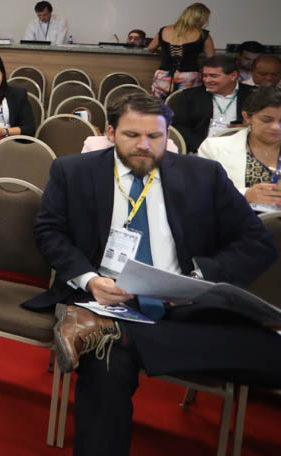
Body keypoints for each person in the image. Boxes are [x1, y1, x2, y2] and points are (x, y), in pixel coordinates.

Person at [25, 93, 279, 456]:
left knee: (270, 354)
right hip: (107, 299)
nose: (144, 145)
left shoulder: (203, 175)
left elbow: (257, 243)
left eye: (155, 136)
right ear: (110, 132)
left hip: (186, 304)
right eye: (132, 135)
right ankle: (111, 333)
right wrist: (89, 280)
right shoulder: (73, 171)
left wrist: (198, 278)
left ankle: (114, 336)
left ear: (168, 136)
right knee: (106, 366)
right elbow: (50, 232)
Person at [198, 86, 281, 205]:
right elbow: (202, 192)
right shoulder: (213, 148)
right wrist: (244, 195)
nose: (275, 127)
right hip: (235, 214)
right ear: (247, 117)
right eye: (266, 120)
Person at [171, 54, 256, 153]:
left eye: (213, 76)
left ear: (233, 76)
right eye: (205, 76)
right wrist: (202, 147)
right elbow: (179, 126)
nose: (207, 80)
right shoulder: (190, 96)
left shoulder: (253, 95)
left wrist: (250, 128)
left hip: (242, 149)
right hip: (201, 150)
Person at [148, 3, 214, 97]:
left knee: (159, 104)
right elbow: (211, 59)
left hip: (163, 75)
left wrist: (164, 52)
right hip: (189, 75)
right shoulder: (203, 34)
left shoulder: (164, 30)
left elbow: (151, 48)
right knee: (185, 104)